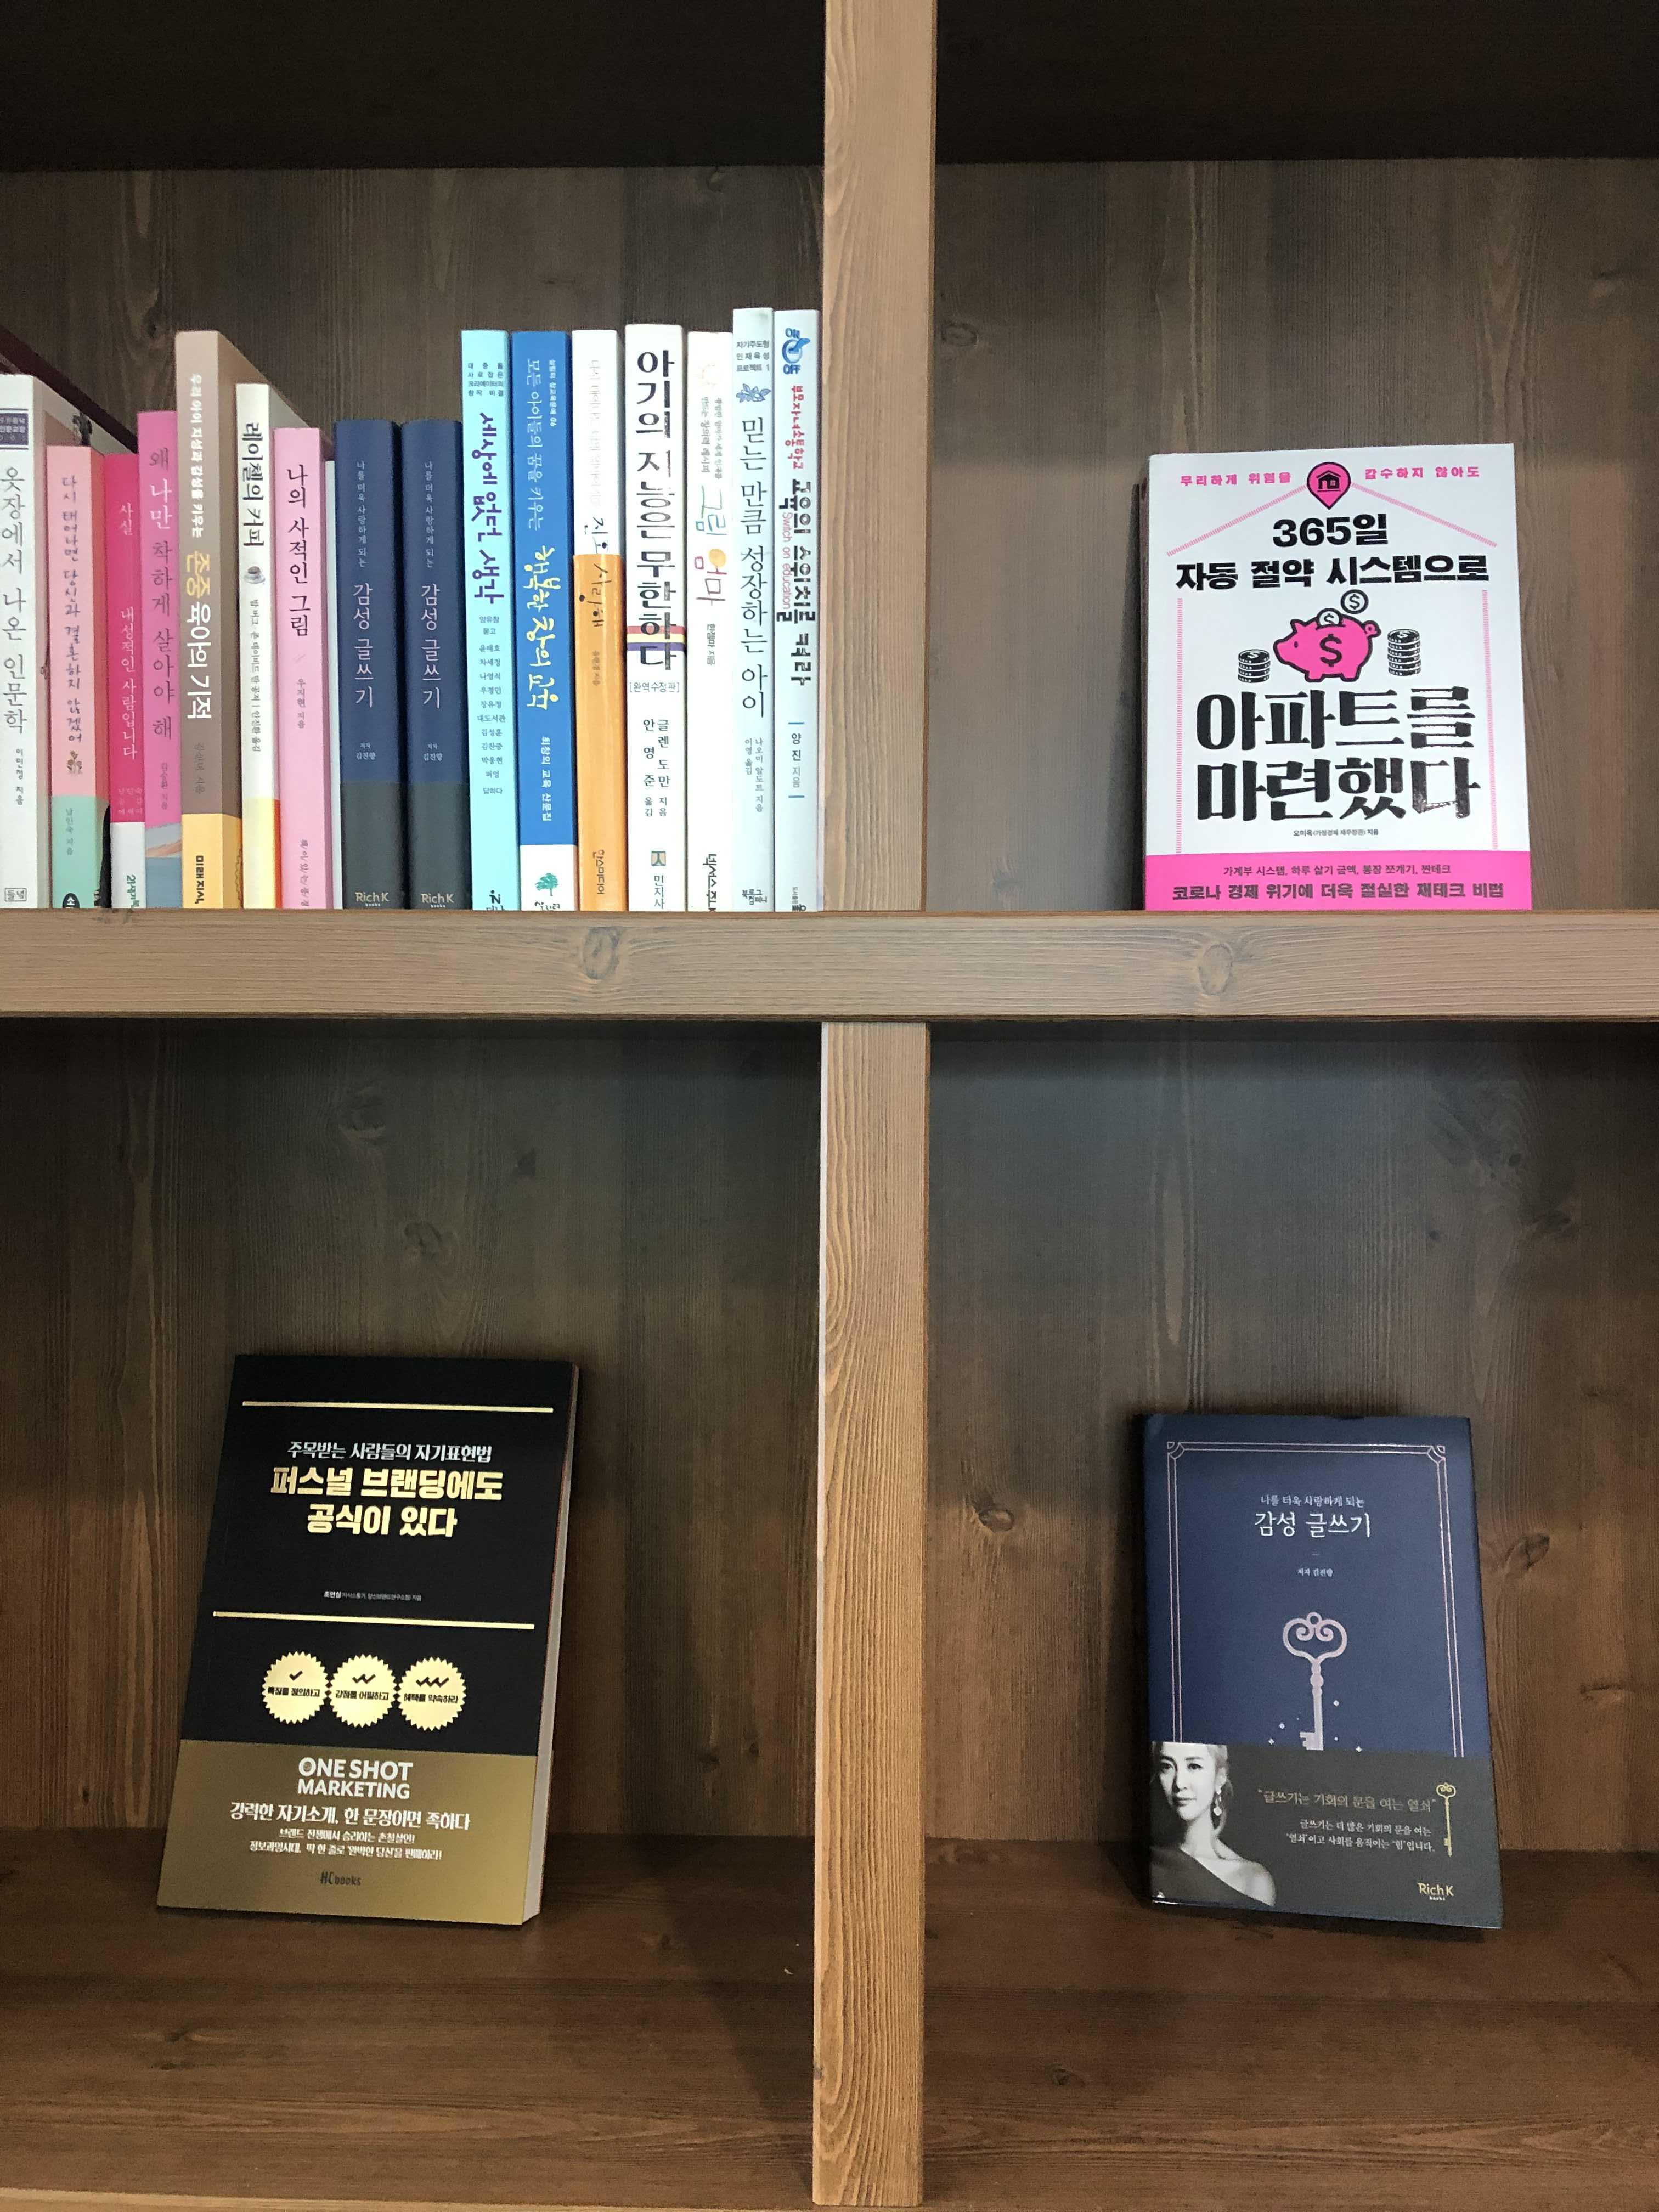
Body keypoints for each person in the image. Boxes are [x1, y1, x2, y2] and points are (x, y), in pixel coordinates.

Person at [1149, 1742, 1276, 1908]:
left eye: (1194, 1766)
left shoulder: (1253, 1879)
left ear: (1220, 1776)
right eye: (1167, 1766)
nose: (1179, 1783)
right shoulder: (1151, 1858)